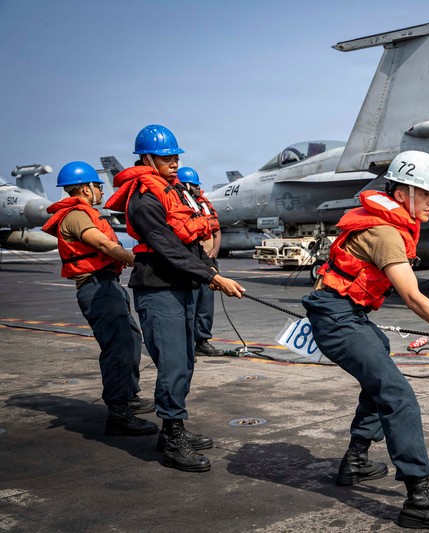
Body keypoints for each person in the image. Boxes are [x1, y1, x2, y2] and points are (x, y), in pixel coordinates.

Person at [302, 150, 429, 531]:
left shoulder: (387, 224)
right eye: (426, 193)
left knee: (381, 359)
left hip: (345, 315)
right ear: (405, 192)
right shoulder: (386, 232)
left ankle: (356, 459)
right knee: (398, 396)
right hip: (336, 318)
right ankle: (419, 499)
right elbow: (413, 297)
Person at [105, 124, 245, 473]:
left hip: (181, 286)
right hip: (158, 288)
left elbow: (192, 241)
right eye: (166, 157)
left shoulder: (177, 192)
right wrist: (213, 276)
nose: (173, 161)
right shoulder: (144, 198)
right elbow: (166, 246)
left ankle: (173, 428)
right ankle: (172, 437)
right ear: (147, 158)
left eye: (176, 156)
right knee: (172, 364)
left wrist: (207, 274)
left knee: (185, 361)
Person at [42, 161, 158, 436]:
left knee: (130, 340)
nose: (102, 192)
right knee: (118, 347)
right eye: (99, 186)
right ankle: (118, 414)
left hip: (107, 285)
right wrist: (140, 261)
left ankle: (128, 396)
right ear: (85, 188)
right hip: (97, 289)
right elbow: (104, 244)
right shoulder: (76, 216)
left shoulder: (85, 213)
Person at [176, 167, 224, 358]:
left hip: (208, 262)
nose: (199, 190)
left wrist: (214, 252)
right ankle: (186, 345)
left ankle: (202, 341)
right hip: (191, 263)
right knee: (190, 304)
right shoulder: (180, 204)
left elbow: (216, 231)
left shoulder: (204, 205)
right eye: (195, 186)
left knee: (205, 304)